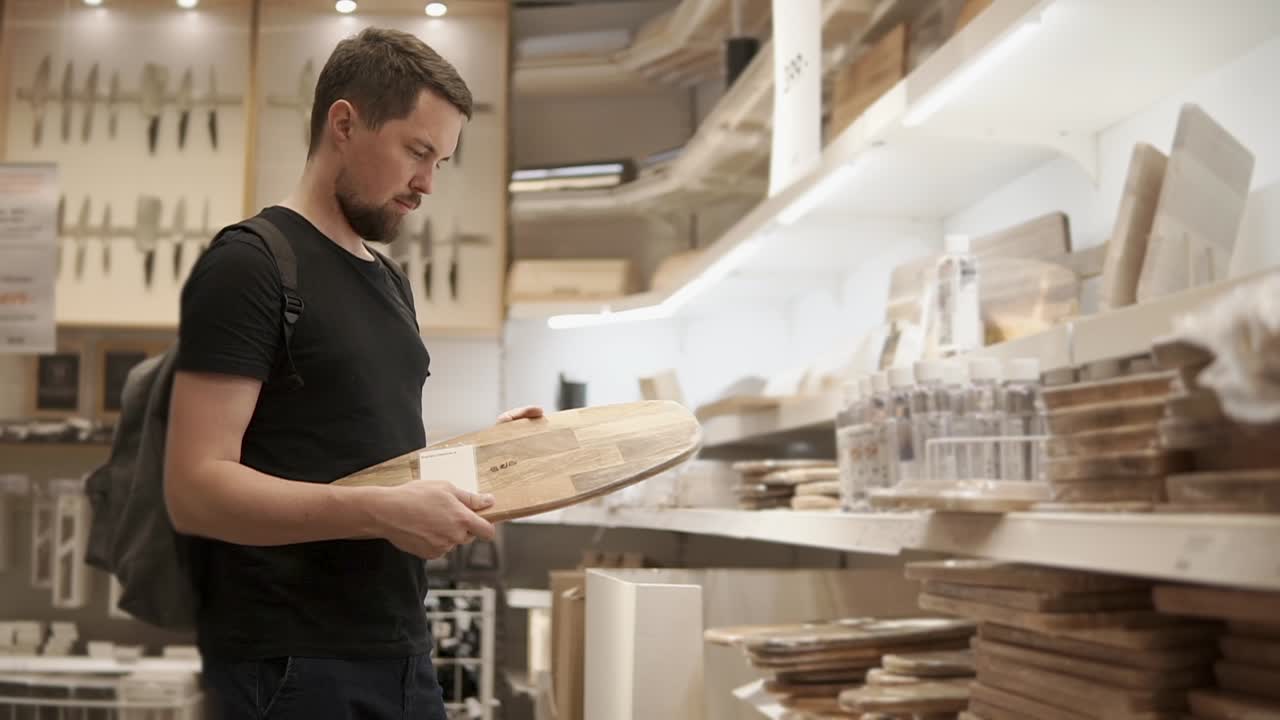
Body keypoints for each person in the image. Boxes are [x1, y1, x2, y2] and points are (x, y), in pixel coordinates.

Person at [163, 27, 541, 719]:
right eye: (417, 151)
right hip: (290, 667)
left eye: (441, 161)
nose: (427, 182)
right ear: (345, 122)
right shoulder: (250, 266)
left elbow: (371, 464)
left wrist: (489, 454)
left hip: (399, 653)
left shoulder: (390, 283)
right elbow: (196, 489)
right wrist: (377, 513)